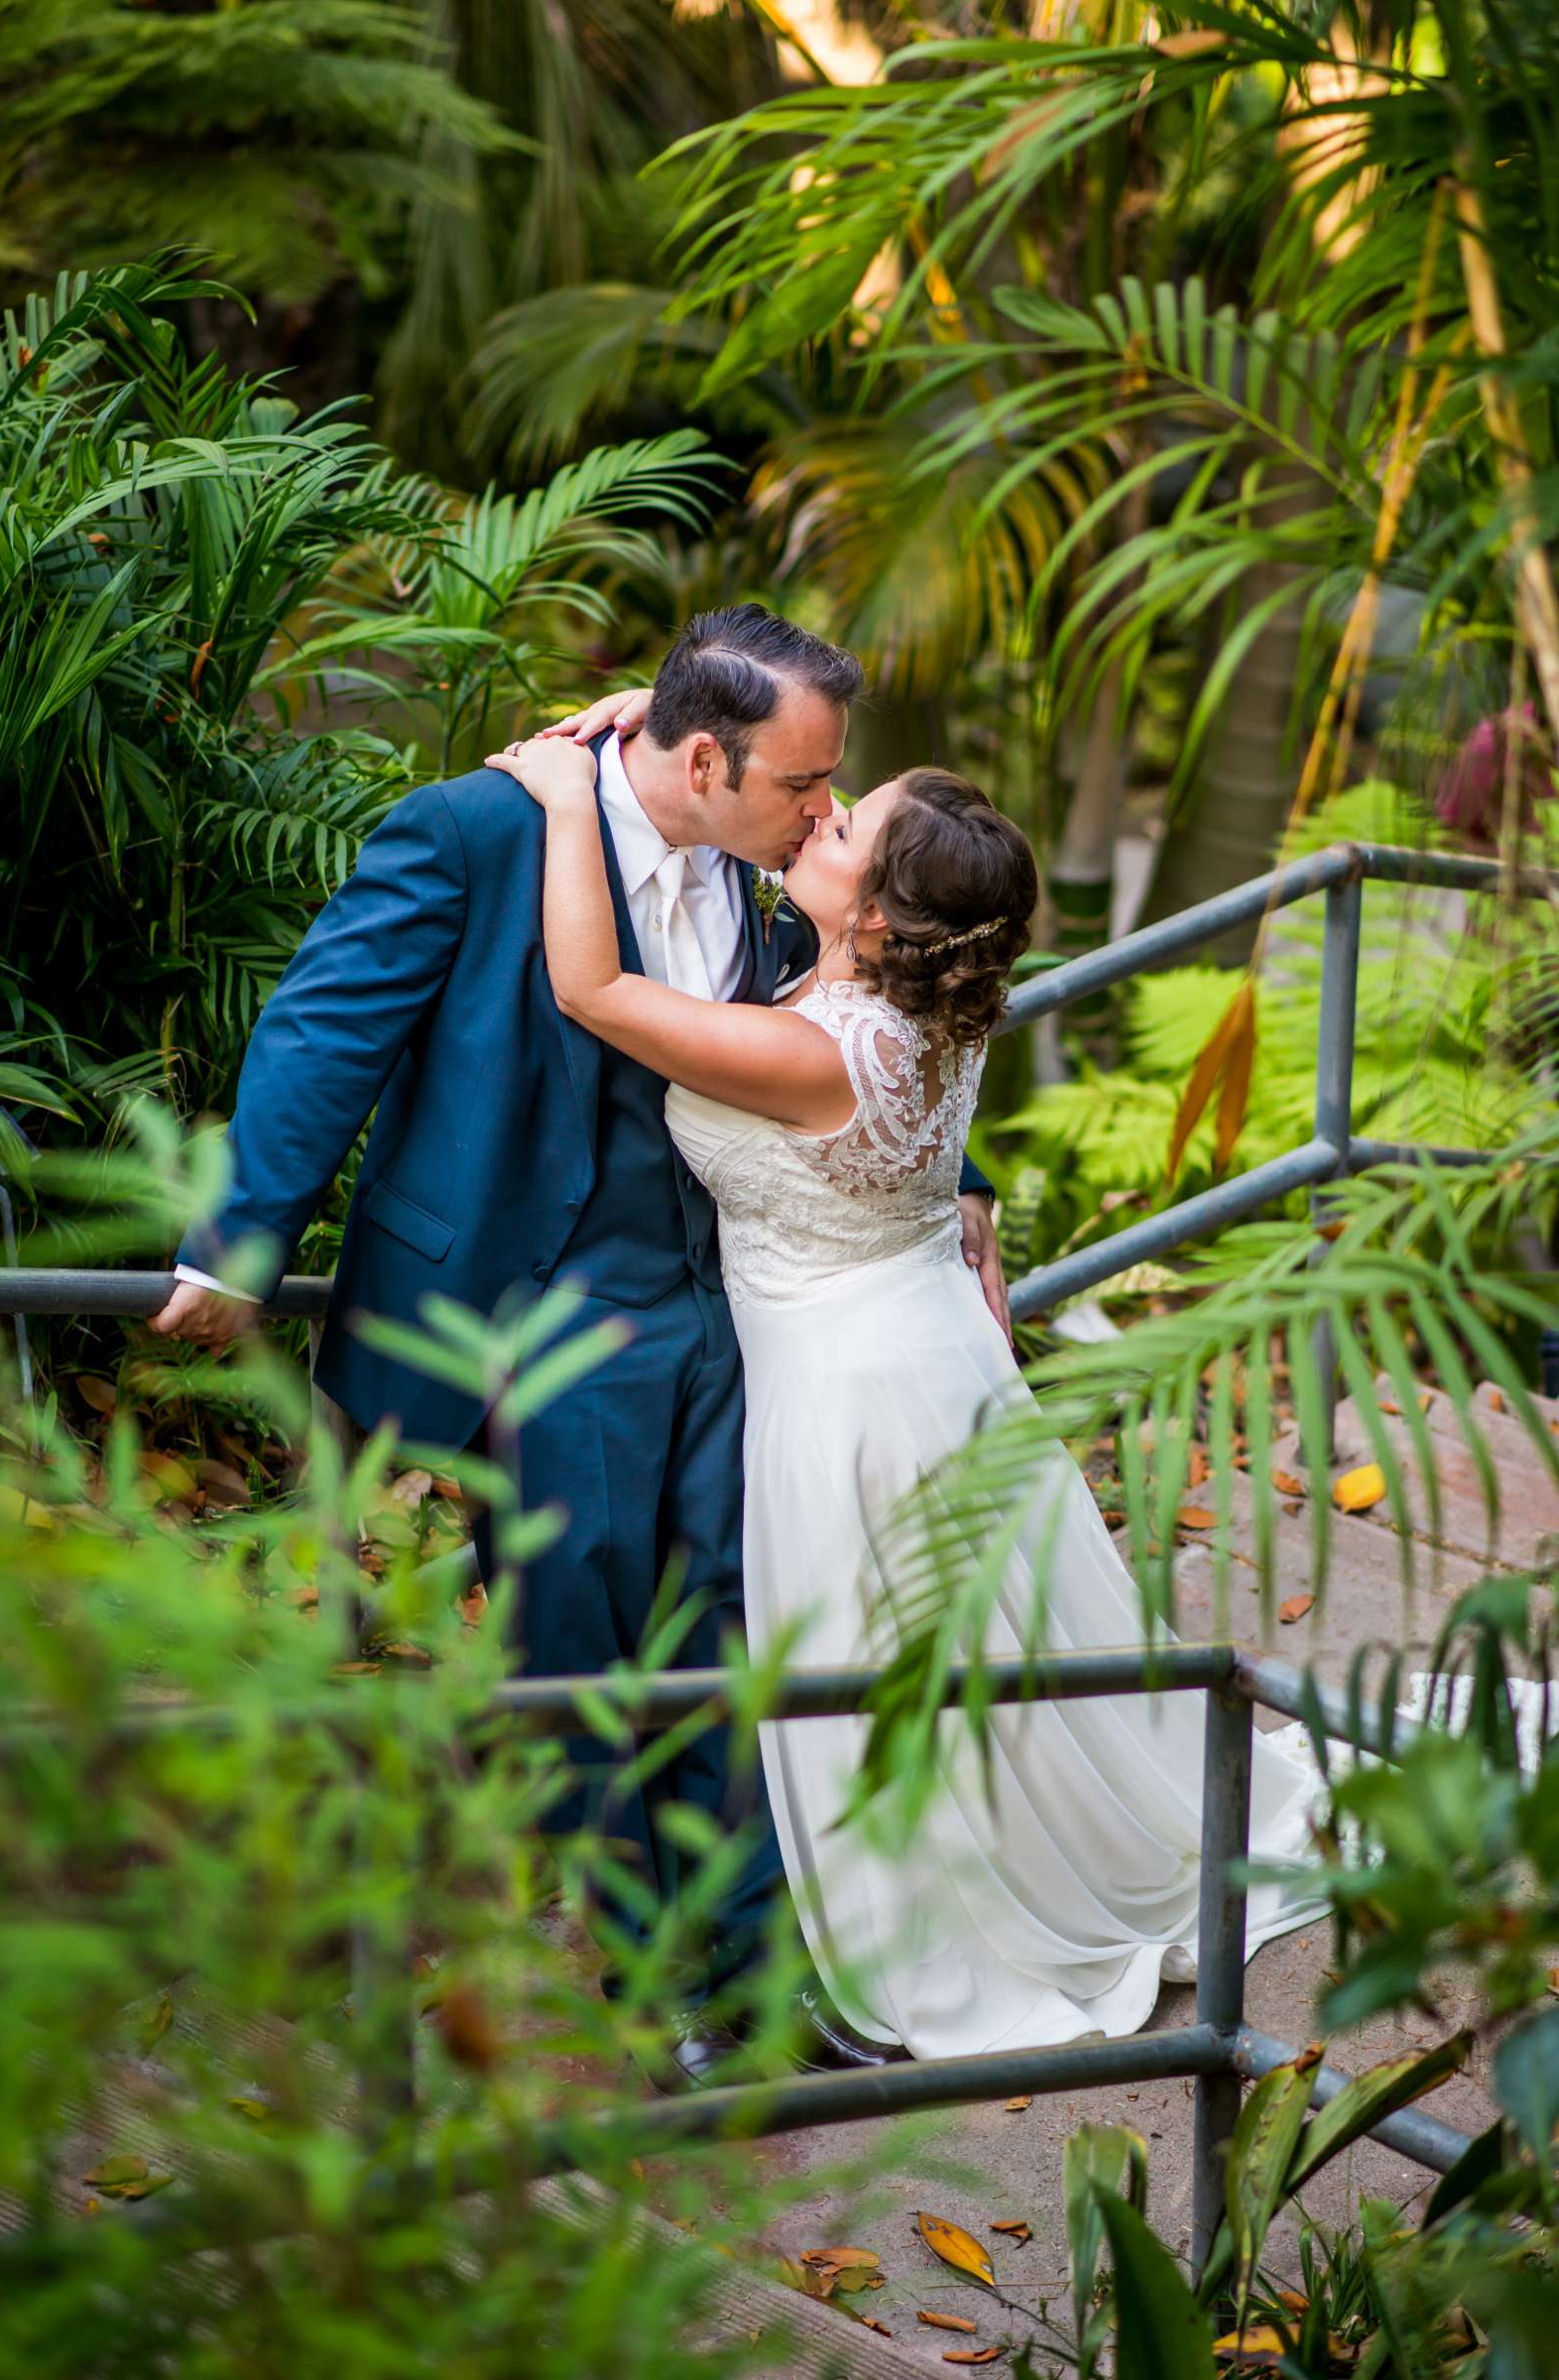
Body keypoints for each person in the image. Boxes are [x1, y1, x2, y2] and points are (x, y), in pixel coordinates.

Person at [149, 604, 1008, 2086]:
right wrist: (237, 1239)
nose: (826, 815)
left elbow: (853, 1029)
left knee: (741, 1635)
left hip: (722, 1314)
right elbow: (322, 1027)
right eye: (806, 785)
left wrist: (959, 1194)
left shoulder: (761, 865)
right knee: (595, 1649)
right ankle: (664, 1984)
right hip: (538, 1321)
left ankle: (755, 1981)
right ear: (700, 756)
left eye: (829, 788)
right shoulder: (480, 829)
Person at [493, 698, 1332, 2061]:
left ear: (878, 921)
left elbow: (592, 993)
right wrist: (679, 721)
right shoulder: (927, 999)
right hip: (929, 1335)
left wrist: (561, 798)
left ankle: (918, 1912)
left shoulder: (817, 1045)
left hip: (848, 1380)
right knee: (973, 1643)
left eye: (848, 826)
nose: (822, 814)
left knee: (874, 1652)